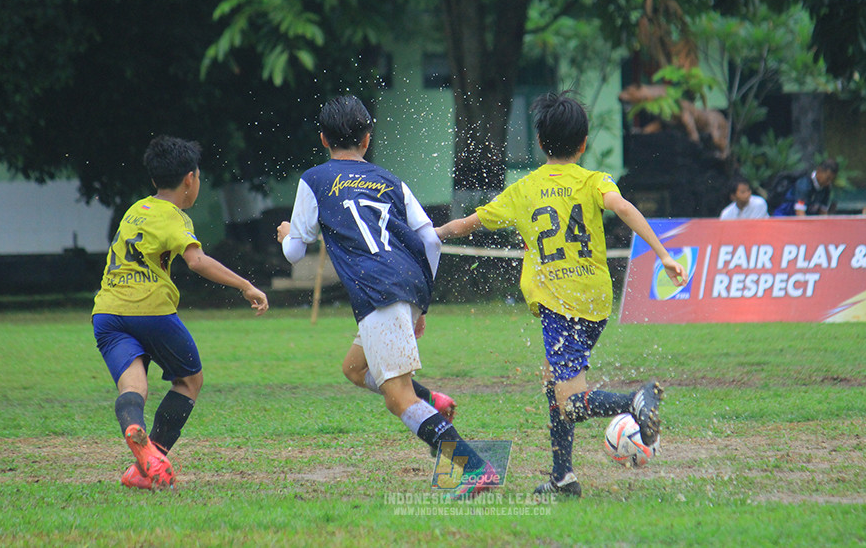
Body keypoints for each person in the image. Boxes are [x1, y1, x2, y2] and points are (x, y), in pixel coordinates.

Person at [435, 90, 687, 497]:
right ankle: (562, 477)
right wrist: (663, 255)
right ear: (584, 143)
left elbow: (468, 223)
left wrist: (431, 234)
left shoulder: (525, 189)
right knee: (554, 383)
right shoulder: (593, 180)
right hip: (597, 301)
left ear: (539, 142)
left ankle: (634, 402)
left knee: (570, 400)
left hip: (560, 304)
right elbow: (623, 208)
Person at [276, 95, 492, 500]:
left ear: (323, 139)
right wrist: (421, 301)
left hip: (378, 292)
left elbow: (294, 252)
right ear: (367, 139)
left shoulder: (316, 179)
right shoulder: (389, 179)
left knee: (397, 400)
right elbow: (429, 239)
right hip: (404, 285)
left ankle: (472, 466)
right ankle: (432, 400)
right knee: (355, 369)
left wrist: (288, 234)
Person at [92, 136, 269, 490]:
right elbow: (196, 261)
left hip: (107, 312)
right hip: (151, 311)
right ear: (190, 179)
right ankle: (152, 460)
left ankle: (137, 443)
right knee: (190, 381)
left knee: (134, 387)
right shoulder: (175, 217)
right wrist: (245, 285)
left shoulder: (135, 210)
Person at [772, 159, 839, 216]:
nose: (829, 182)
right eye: (827, 178)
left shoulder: (826, 188)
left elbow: (823, 213)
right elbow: (800, 213)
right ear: (819, 171)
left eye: (832, 180)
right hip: (784, 217)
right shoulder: (804, 184)